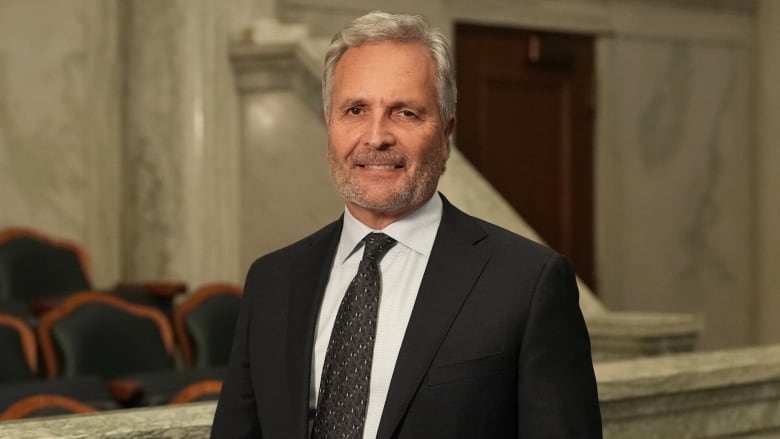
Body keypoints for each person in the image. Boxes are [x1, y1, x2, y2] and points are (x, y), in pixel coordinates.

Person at [211, 10, 601, 439]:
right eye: (355, 109)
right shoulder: (273, 281)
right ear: (331, 126)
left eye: (406, 113)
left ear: (445, 133)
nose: (376, 136)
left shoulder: (527, 283)